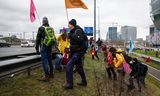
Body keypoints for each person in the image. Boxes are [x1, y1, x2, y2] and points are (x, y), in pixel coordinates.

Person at [64, 19, 87, 89]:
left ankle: (69, 84)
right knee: (79, 68)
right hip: (75, 52)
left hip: (78, 52)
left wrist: (71, 35)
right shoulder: (73, 31)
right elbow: (74, 42)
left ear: (72, 25)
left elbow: (80, 40)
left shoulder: (78, 30)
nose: (68, 25)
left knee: (68, 66)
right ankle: (84, 82)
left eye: (69, 24)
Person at [35, 17, 56, 82]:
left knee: (45, 61)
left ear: (43, 21)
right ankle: (51, 74)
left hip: (44, 46)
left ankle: (47, 76)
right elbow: (54, 37)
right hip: (49, 46)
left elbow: (38, 39)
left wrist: (37, 48)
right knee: (49, 60)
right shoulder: (51, 28)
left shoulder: (41, 28)